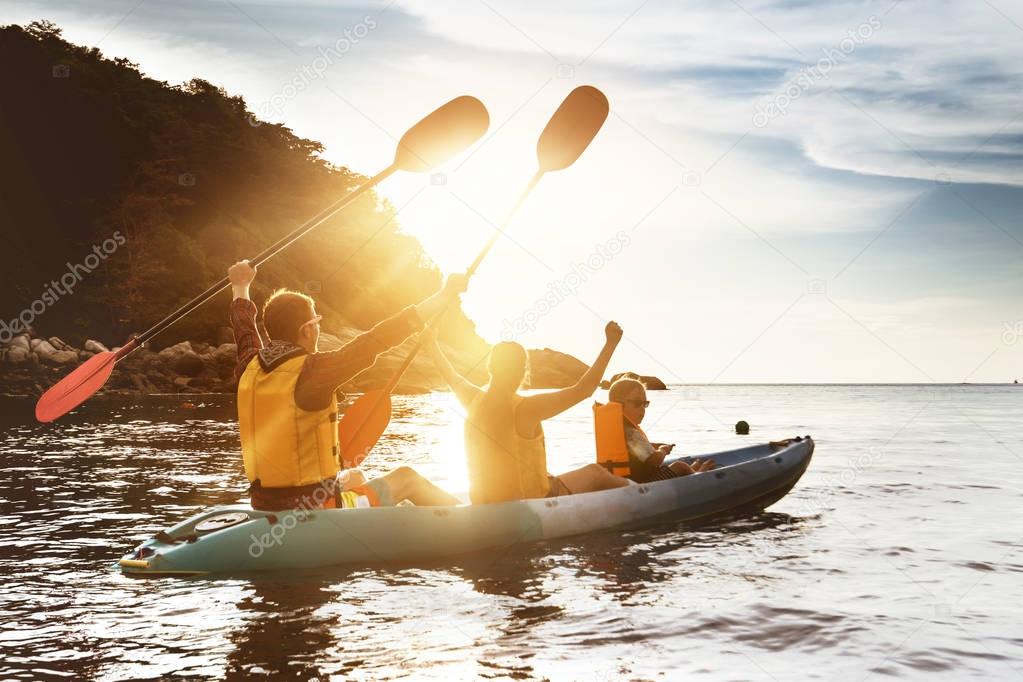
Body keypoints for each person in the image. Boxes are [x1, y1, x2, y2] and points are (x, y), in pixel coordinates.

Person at [228, 259, 464, 511]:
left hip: (264, 505)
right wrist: (444, 296)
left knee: (355, 476)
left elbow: (244, 327)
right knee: (408, 478)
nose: (318, 330)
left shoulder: (249, 365)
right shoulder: (313, 371)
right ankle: (471, 519)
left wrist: (240, 285)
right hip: (316, 510)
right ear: (307, 330)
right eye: (316, 324)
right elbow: (376, 340)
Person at [427, 321, 634, 504]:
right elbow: (584, 390)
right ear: (522, 370)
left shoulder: (472, 398)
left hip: (482, 501)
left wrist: (431, 343)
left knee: (551, 475)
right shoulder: (527, 408)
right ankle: (643, 491)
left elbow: (449, 374)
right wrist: (611, 344)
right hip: (531, 504)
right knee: (595, 473)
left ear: (490, 368)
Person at [596, 377, 715, 483]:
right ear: (619, 405)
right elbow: (654, 461)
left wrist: (655, 446)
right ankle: (699, 475)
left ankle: (692, 471)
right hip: (641, 484)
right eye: (637, 403)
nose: (643, 409)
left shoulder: (619, 429)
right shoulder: (632, 433)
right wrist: (662, 450)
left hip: (621, 480)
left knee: (677, 468)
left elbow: (635, 452)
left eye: (645, 404)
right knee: (680, 466)